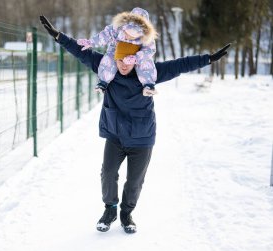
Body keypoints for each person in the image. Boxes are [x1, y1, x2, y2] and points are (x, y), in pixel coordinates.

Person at [39, 15, 230, 234]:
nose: (122, 65)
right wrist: (58, 36)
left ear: (135, 60)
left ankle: (126, 214)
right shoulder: (106, 69)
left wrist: (208, 59)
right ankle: (110, 209)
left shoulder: (149, 73)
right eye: (119, 60)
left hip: (142, 137)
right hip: (115, 134)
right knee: (108, 173)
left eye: (127, 60)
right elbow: (79, 51)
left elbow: (180, 65)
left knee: (135, 181)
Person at [76, 7, 158, 96]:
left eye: (133, 36)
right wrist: (91, 42)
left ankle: (149, 86)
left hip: (135, 53)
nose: (128, 37)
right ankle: (103, 83)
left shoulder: (146, 37)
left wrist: (136, 58)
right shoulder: (117, 28)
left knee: (146, 62)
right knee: (109, 60)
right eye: (127, 33)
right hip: (116, 48)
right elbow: (105, 35)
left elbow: (149, 50)